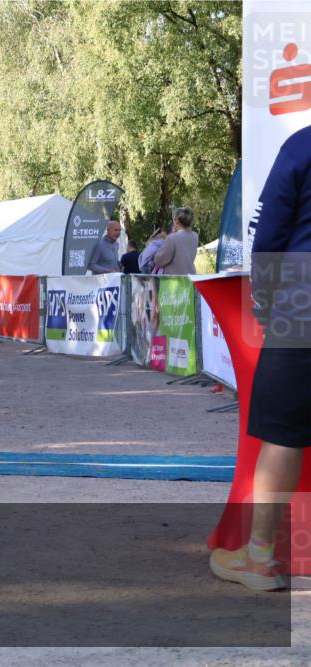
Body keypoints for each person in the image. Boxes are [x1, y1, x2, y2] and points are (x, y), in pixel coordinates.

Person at [210, 125, 310, 591]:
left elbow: (268, 233)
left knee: (283, 436)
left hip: (302, 305)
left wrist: (265, 303)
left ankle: (259, 559)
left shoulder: (302, 145)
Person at [153, 207, 199, 275]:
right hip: (189, 279)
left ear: (176, 221)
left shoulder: (172, 238)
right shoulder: (195, 236)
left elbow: (159, 261)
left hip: (173, 281)